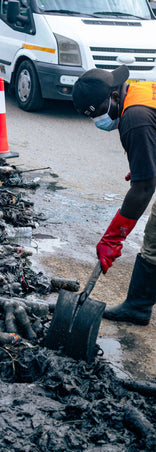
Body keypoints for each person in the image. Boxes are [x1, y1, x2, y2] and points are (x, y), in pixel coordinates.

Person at [72, 65, 156, 326]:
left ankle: (137, 307)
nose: (98, 121)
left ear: (114, 97)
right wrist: (147, 164)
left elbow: (143, 189)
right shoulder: (138, 93)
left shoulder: (135, 118)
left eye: (97, 113)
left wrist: (114, 237)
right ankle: (138, 307)